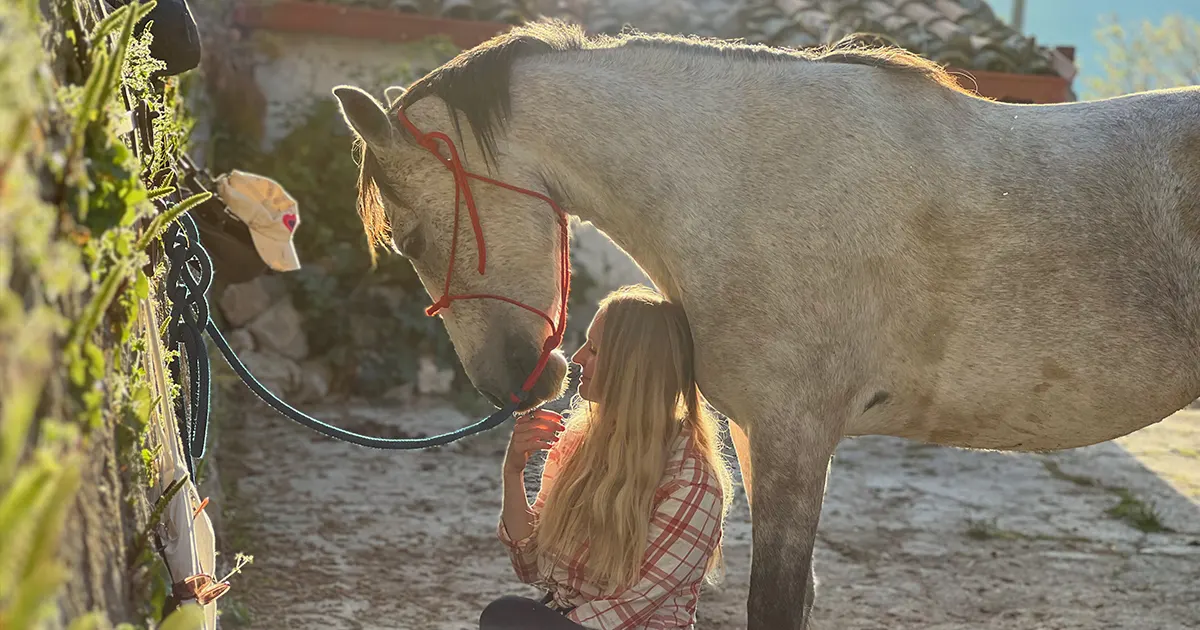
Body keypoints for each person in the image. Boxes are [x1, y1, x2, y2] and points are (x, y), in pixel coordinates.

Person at [479, 285, 735, 630]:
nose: (578, 358)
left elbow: (629, 609)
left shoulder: (693, 482)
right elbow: (531, 567)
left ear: (633, 369)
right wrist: (513, 472)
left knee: (508, 618)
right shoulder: (578, 441)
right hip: (567, 621)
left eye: (595, 349)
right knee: (506, 616)